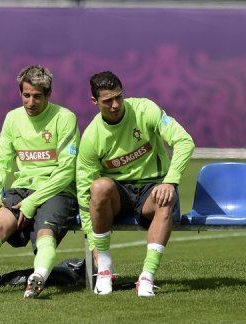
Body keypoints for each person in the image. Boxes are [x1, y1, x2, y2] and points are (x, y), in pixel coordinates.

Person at [0, 65, 80, 299]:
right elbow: (0, 163)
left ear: (49, 95)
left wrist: (31, 202)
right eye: (26, 95)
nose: (31, 102)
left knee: (45, 234)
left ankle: (37, 278)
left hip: (57, 190)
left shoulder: (65, 118)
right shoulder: (12, 118)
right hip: (22, 189)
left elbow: (66, 171)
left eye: (37, 96)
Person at [76, 71, 195, 297]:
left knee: (165, 198)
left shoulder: (145, 109)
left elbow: (184, 141)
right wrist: (94, 246)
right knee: (99, 187)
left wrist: (170, 181)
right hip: (118, 197)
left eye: (118, 97)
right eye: (107, 101)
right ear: (94, 101)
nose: (115, 105)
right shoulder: (91, 137)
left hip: (153, 187)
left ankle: (147, 277)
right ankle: (104, 268)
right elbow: (84, 193)